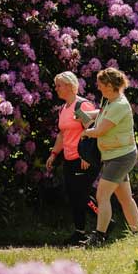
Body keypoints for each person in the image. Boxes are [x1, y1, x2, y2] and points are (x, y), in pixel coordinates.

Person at [79, 68, 138, 246]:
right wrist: (85, 115)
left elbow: (100, 130)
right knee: (125, 198)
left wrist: (85, 133)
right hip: (115, 155)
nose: (98, 87)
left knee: (102, 195)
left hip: (121, 157)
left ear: (110, 85)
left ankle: (99, 237)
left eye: (100, 84)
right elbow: (102, 115)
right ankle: (137, 235)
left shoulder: (120, 104)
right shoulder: (110, 101)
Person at [46, 71, 98, 244]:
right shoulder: (63, 108)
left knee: (82, 195)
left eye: (59, 85)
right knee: (74, 196)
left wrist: (87, 156)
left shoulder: (82, 105)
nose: (56, 89)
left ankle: (106, 222)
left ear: (69, 86)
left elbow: (92, 131)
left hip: (83, 158)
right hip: (68, 158)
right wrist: (53, 154)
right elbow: (62, 134)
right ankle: (79, 232)